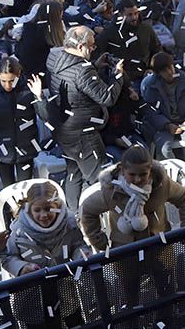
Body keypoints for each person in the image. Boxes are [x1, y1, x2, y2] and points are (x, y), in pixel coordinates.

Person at [44, 25, 129, 213]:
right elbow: (107, 98)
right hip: (84, 135)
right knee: (99, 178)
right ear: (81, 46)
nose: (92, 50)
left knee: (73, 174)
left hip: (64, 132)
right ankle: (100, 219)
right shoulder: (82, 71)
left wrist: (94, 67)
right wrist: (117, 76)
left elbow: (76, 83)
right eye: (91, 47)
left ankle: (74, 216)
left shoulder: (54, 59)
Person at [140, 52, 185, 177]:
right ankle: (176, 175)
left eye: (170, 67)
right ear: (158, 74)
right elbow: (150, 111)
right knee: (163, 147)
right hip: (163, 125)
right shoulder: (149, 86)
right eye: (164, 70)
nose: (169, 72)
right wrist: (167, 125)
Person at [1, 181, 90, 275]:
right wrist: (21, 267)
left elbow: (78, 246)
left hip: (64, 279)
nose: (43, 215)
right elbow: (7, 257)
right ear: (29, 209)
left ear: (58, 206)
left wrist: (82, 255)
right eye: (37, 210)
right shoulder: (19, 230)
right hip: (32, 283)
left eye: (48, 209)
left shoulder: (69, 224)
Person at [0, 56, 44, 187]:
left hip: (26, 148)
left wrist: (39, 97)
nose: (8, 85)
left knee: (24, 190)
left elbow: (47, 117)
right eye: (3, 81)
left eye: (11, 80)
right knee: (8, 191)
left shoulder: (28, 89)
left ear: (19, 74)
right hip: (2, 150)